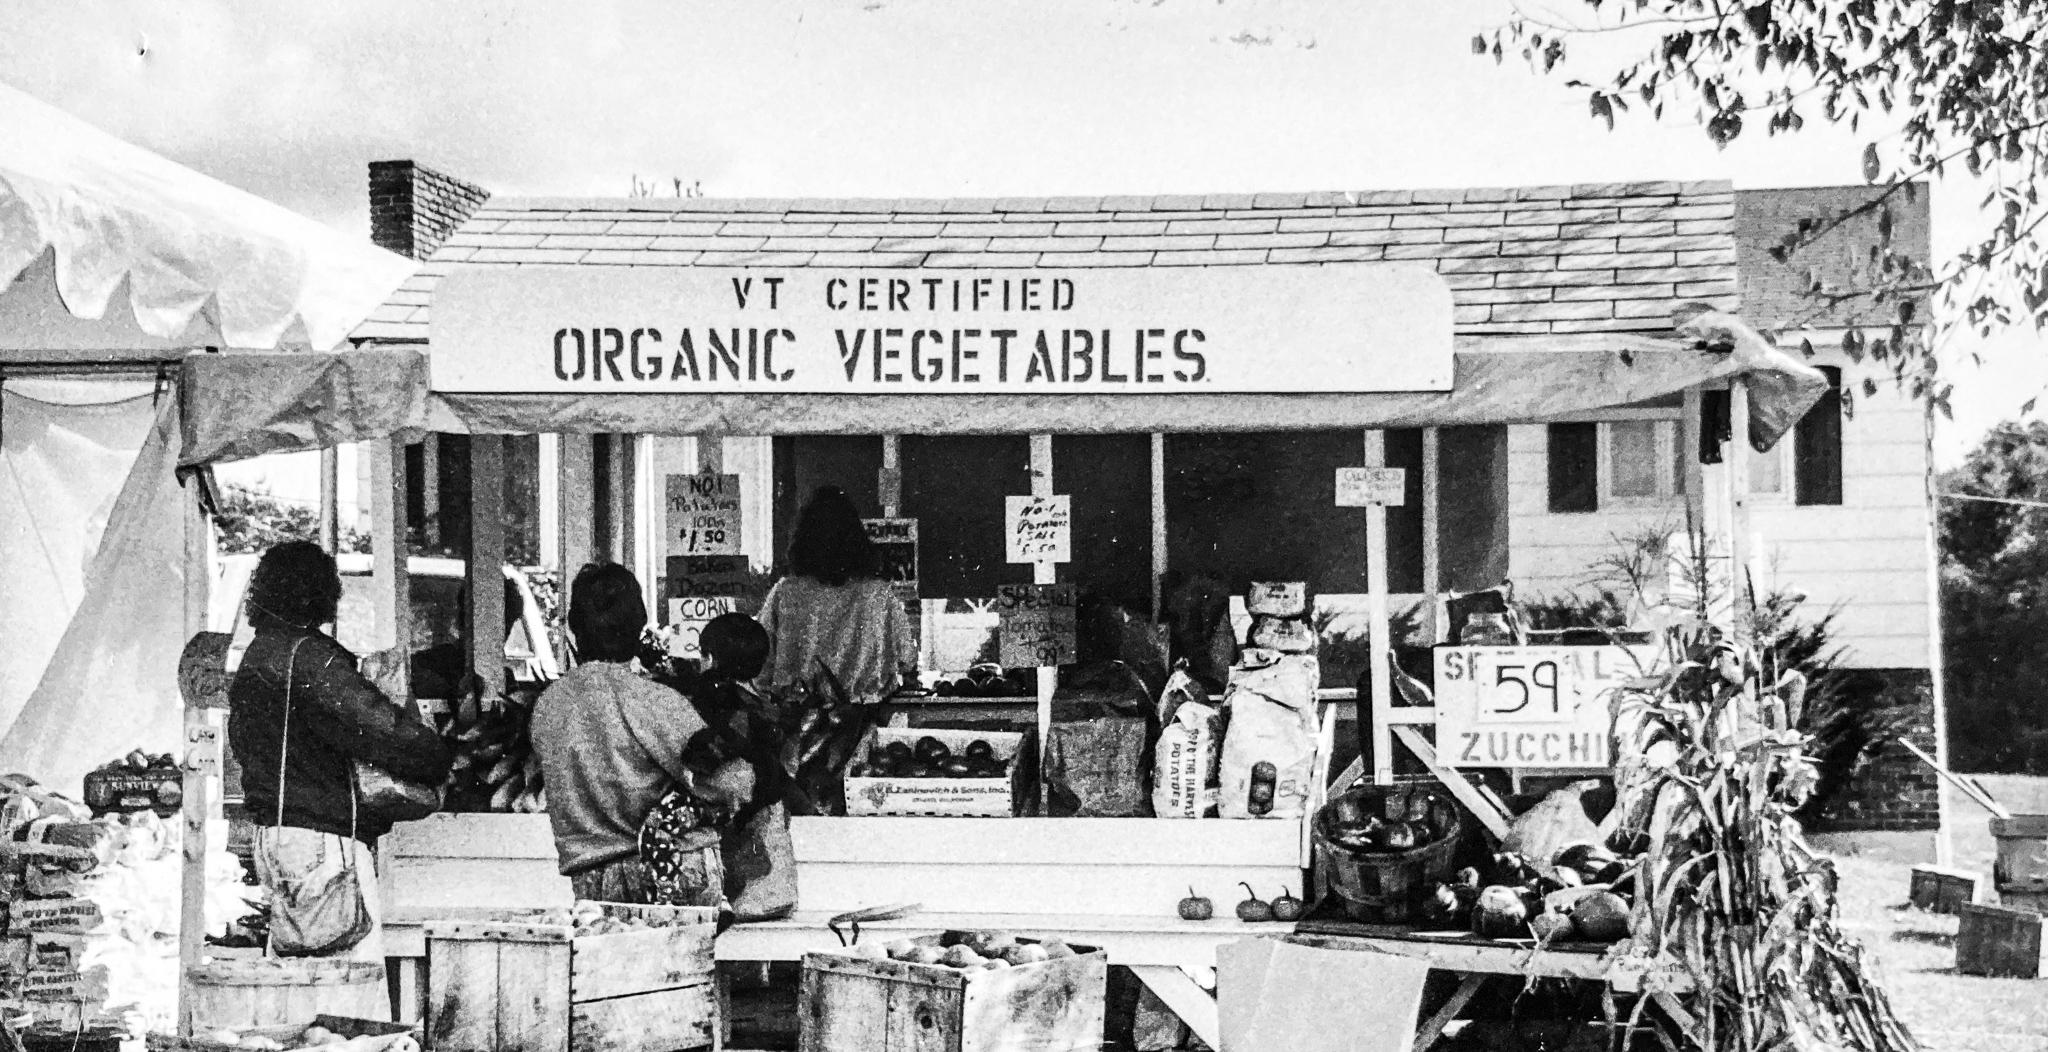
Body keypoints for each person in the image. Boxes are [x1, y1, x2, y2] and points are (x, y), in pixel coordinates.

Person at [228, 541, 453, 961]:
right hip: (319, 841)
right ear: (316, 593)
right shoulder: (308, 658)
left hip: (278, 835)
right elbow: (379, 730)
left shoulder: (261, 653)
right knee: (348, 980)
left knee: (298, 979)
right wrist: (438, 755)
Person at [531, 563, 753, 903]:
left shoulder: (549, 706)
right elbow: (729, 783)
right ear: (640, 623)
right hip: (674, 875)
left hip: (590, 884)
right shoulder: (653, 700)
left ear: (574, 625)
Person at [639, 613, 795, 920]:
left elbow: (714, 745)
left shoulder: (715, 695)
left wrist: (693, 762)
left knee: (656, 829)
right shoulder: (761, 703)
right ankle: (750, 896)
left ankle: (666, 905)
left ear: (709, 658)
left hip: (720, 797)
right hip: (759, 798)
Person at [758, 486, 915, 703]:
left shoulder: (784, 593)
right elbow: (907, 658)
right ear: (856, 539)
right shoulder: (880, 595)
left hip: (799, 719)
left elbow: (762, 666)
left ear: (803, 539)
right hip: (863, 718)